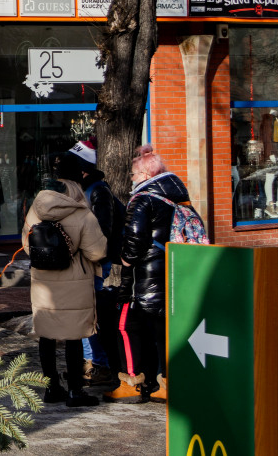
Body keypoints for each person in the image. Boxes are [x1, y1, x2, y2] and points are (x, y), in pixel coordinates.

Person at [106, 145, 185, 404]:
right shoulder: (176, 195)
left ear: (144, 174)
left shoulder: (142, 199)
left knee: (126, 326)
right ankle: (165, 382)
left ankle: (132, 382)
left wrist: (125, 260)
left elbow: (135, 239)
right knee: (164, 330)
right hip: (172, 269)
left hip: (144, 277)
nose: (131, 178)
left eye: (133, 174)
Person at [22, 178, 107, 408]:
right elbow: (97, 252)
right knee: (74, 336)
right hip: (74, 282)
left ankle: (51, 388)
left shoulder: (34, 211)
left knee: (46, 335)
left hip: (43, 282)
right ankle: (75, 392)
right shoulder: (82, 214)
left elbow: (26, 245)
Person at [50, 141, 125, 390]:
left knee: (86, 317)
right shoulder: (84, 190)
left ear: (82, 169)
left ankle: (97, 364)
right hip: (82, 263)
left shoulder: (98, 191)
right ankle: (91, 362)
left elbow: (102, 231)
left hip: (91, 264)